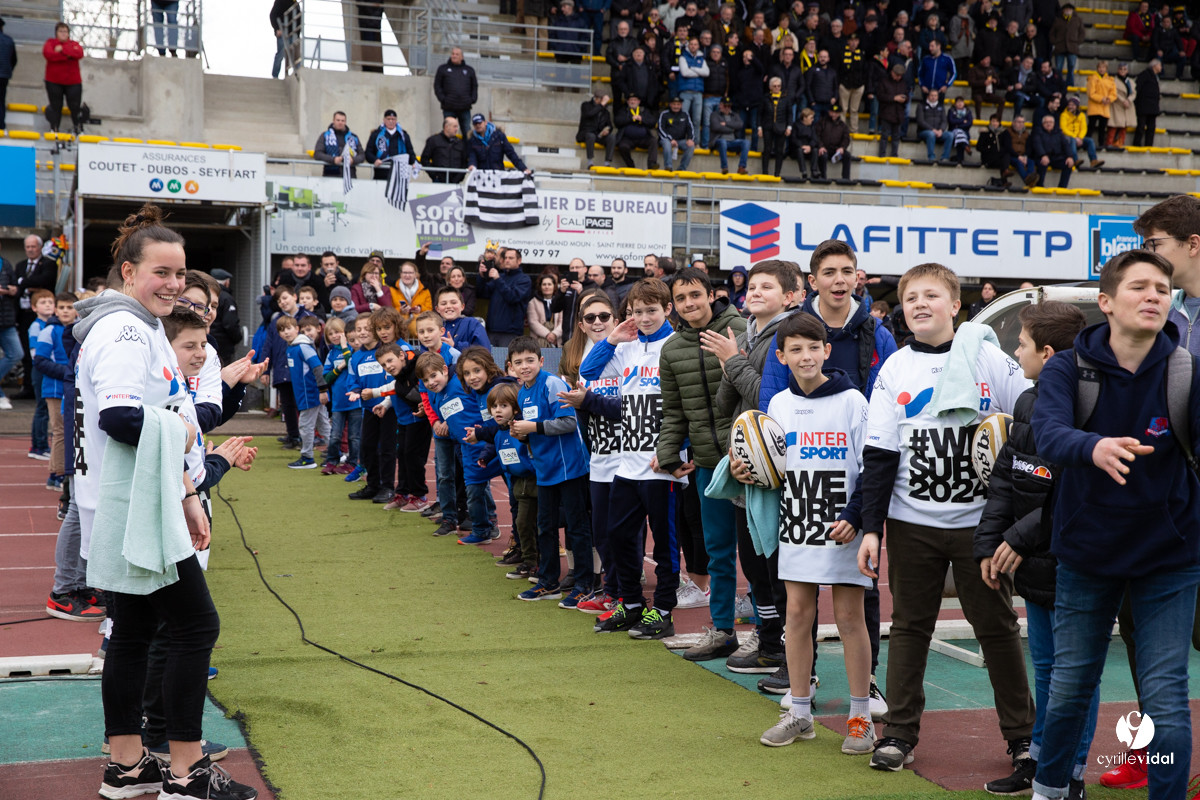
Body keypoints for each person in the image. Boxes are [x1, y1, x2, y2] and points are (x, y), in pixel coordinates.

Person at [75, 204, 258, 800]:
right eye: (162, 272)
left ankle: (128, 767)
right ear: (129, 272)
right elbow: (121, 418)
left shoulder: (139, 324)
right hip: (136, 505)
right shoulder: (126, 330)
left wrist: (186, 491)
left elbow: (148, 415)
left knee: (133, 631)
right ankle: (186, 772)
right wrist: (182, 434)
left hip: (135, 498)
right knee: (195, 625)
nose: (175, 284)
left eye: (180, 273)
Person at [1030, 250, 1200, 800]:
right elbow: (1048, 434)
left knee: (1166, 699)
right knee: (1070, 688)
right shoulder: (1067, 368)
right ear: (1105, 302)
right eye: (1139, 286)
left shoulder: (1186, 370)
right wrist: (1095, 447)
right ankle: (1049, 789)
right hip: (1087, 552)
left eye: (1162, 289)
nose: (1153, 296)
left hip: (1170, 555)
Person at [856, 262, 1035, 774]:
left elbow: (1028, 421)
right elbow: (880, 455)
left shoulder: (989, 358)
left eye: (931, 295)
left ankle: (1023, 738)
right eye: (911, 297)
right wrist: (871, 529)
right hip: (911, 522)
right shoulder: (895, 369)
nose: (920, 304)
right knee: (909, 627)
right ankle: (899, 734)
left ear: (955, 305)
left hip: (981, 523)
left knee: (997, 628)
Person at [972, 300, 1093, 796]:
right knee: (1045, 667)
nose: (1014, 352)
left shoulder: (1090, 404)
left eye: (1020, 344)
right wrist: (990, 542)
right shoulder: (1026, 401)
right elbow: (1007, 476)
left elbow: (1074, 492)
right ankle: (1041, 763)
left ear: (1046, 353)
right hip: (1033, 560)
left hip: (1073, 559)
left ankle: (1071, 773)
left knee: (1074, 675)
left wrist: (1019, 538)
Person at [740, 313, 874, 754]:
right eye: (795, 349)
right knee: (797, 615)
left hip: (843, 527)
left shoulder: (852, 401)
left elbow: (870, 466)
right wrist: (745, 469)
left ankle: (861, 717)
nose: (805, 356)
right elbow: (770, 465)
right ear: (781, 356)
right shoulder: (778, 406)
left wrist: (856, 514)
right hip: (797, 523)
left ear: (826, 351)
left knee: (850, 618)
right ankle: (800, 712)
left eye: (813, 347)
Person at [710, 260, 801, 684]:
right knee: (753, 562)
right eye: (753, 286)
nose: (756, 291)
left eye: (767, 286)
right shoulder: (748, 335)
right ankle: (767, 643)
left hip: (775, 471)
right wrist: (731, 362)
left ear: (790, 296)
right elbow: (725, 402)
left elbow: (769, 400)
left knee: (775, 567)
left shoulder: (787, 335)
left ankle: (785, 651)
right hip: (746, 466)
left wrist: (734, 362)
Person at [581, 278, 682, 638]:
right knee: (618, 535)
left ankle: (664, 610)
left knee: (665, 544)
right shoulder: (627, 347)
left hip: (661, 465)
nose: (644, 318)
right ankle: (632, 603)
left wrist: (674, 449)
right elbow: (588, 372)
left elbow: (688, 404)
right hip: (628, 463)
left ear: (667, 309)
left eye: (651, 310)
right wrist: (612, 338)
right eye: (637, 312)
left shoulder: (677, 345)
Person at [656, 268, 746, 660]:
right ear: (673, 305)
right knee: (718, 551)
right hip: (708, 463)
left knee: (762, 552)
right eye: (681, 298)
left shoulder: (741, 329)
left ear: (711, 295)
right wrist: (667, 454)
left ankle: (769, 632)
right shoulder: (672, 349)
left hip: (751, 461)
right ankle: (723, 630)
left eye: (695, 294)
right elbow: (674, 410)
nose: (689, 303)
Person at [508, 337, 594, 604]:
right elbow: (535, 430)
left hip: (569, 468)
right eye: (519, 362)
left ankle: (585, 584)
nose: (525, 366)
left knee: (576, 527)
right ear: (511, 367)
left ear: (541, 361)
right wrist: (522, 435)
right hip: (544, 470)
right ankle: (548, 582)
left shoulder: (552, 383)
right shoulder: (522, 392)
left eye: (530, 360)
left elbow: (569, 422)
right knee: (545, 526)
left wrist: (533, 428)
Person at [416, 350, 501, 543]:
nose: (431, 382)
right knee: (473, 486)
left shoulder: (462, 384)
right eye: (426, 380)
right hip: (463, 445)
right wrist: (441, 422)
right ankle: (481, 528)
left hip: (485, 441)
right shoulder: (434, 393)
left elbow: (481, 403)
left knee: (485, 484)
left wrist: (485, 431)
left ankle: (492, 521)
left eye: (434, 376)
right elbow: (446, 412)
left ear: (445, 370)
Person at [35, 291, 76, 490]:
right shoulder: (49, 331)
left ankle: (54, 473)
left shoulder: (78, 330)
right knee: (61, 431)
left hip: (71, 388)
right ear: (56, 310)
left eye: (69, 307)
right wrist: (68, 373)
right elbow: (40, 361)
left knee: (67, 431)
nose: (65, 311)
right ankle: (59, 474)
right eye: (61, 307)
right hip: (55, 389)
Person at [277, 315, 329, 470]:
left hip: (310, 393)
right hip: (305, 394)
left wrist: (322, 390)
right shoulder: (291, 348)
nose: (286, 332)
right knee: (323, 425)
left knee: (306, 426)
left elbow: (318, 368)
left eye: (289, 328)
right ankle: (336, 452)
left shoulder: (303, 347)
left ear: (297, 329)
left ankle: (307, 457)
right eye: (282, 330)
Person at [477, 248, 531, 347]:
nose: (507, 260)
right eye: (505, 258)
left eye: (511, 258)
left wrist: (498, 279)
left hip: (510, 333)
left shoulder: (524, 279)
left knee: (506, 357)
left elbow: (512, 297)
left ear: (519, 261)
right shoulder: (500, 276)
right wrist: (481, 276)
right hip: (492, 330)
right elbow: (482, 293)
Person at [27, 290, 55, 460]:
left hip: (47, 368)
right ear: (34, 307)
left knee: (43, 408)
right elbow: (34, 352)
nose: (48, 305)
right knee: (42, 408)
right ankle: (39, 446)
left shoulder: (52, 325)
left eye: (50, 302)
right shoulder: (36, 326)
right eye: (43, 302)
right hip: (41, 370)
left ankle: (38, 445)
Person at [43, 22, 84, 137]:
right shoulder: (50, 43)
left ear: (69, 33)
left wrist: (62, 49)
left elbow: (79, 53)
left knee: (75, 106)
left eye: (65, 31)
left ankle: (78, 128)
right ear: (56, 33)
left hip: (73, 82)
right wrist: (68, 56)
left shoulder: (74, 44)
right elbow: (49, 55)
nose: (63, 33)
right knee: (56, 106)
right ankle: (54, 128)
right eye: (60, 31)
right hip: (54, 81)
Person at [433, 47, 478, 138]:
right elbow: (437, 85)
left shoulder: (469, 70)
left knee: (467, 131)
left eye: (457, 54)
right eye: (453, 54)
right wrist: (443, 99)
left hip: (465, 108)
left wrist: (472, 99)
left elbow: (474, 86)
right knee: (448, 131)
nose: (454, 56)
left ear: (462, 57)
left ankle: (468, 148)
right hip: (449, 107)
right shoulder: (443, 69)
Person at [364, 110, 417, 182]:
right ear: (384, 120)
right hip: (381, 173)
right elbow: (368, 152)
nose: (391, 121)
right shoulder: (376, 134)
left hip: (399, 174)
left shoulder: (403, 135)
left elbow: (410, 152)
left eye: (393, 119)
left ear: (396, 120)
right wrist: (375, 160)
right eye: (388, 119)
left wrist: (413, 162)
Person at [312, 111, 364, 179]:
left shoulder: (353, 137)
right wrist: (333, 160)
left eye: (342, 121)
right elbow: (317, 154)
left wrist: (353, 160)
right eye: (338, 120)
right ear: (333, 121)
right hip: (330, 176)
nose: (340, 122)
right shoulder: (325, 135)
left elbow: (362, 155)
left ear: (345, 122)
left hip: (350, 176)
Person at [1030, 113, 1075, 189]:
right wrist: (1043, 155)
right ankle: (1039, 186)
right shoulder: (1037, 131)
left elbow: (1066, 145)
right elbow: (1037, 144)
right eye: (1046, 122)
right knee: (1042, 163)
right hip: (1041, 157)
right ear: (1043, 124)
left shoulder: (1058, 132)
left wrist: (1070, 156)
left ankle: (1062, 188)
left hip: (1056, 157)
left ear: (1054, 123)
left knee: (1068, 165)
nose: (1048, 124)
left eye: (1050, 122)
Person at [758, 77, 792, 177]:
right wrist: (759, 127)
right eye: (774, 86)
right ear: (770, 87)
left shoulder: (786, 98)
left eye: (779, 86)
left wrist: (789, 127)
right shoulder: (765, 98)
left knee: (779, 151)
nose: (777, 88)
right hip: (768, 126)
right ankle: (765, 172)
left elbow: (789, 114)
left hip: (781, 126)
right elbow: (760, 114)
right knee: (767, 149)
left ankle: (777, 173)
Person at [614, 94, 658, 169]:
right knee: (622, 146)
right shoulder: (623, 110)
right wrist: (630, 119)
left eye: (635, 100)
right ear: (627, 102)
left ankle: (652, 164)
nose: (633, 102)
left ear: (639, 102)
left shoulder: (644, 111)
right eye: (631, 100)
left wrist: (642, 119)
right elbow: (617, 121)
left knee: (653, 141)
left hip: (643, 138)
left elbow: (653, 122)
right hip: (627, 139)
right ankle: (631, 165)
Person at [1060, 97, 1104, 170]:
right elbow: (1064, 129)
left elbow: (1083, 128)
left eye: (1072, 105)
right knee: (1072, 140)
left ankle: (1093, 161)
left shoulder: (1081, 115)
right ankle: (1075, 160)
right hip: (1068, 138)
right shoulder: (1064, 115)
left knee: (1090, 140)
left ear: (1077, 106)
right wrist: (1075, 137)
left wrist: (1080, 138)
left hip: (1078, 138)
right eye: (1069, 105)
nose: (1070, 106)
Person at [421, 117, 468, 184]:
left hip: (455, 182)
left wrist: (459, 177)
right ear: (446, 127)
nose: (456, 129)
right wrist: (434, 175)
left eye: (457, 127)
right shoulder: (433, 140)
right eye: (454, 126)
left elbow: (464, 162)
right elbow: (424, 159)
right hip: (438, 181)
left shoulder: (460, 143)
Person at [876, 62, 909, 157]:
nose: (899, 77)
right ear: (892, 73)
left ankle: (894, 154)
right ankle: (882, 154)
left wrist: (905, 99)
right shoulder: (884, 81)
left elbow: (907, 95)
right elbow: (880, 96)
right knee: (884, 136)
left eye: (900, 75)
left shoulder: (903, 83)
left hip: (898, 113)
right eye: (897, 75)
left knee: (896, 137)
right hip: (886, 113)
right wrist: (894, 98)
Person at [657, 95, 697, 171]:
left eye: (678, 104)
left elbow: (690, 128)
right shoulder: (664, 114)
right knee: (667, 144)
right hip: (666, 139)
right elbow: (660, 129)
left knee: (691, 146)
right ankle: (668, 167)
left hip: (680, 141)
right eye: (674, 104)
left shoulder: (685, 114)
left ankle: (682, 168)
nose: (676, 106)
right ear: (670, 104)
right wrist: (670, 139)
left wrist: (690, 139)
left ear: (681, 105)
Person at [710, 96, 748, 175]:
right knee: (723, 142)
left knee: (746, 142)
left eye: (729, 106)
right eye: (725, 106)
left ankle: (741, 167)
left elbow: (740, 124)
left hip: (732, 141)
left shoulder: (734, 115)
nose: (727, 108)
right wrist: (732, 129)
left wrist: (726, 124)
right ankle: (724, 167)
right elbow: (716, 127)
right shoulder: (714, 115)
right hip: (719, 141)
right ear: (720, 105)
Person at [577, 91, 615, 168]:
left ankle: (607, 162)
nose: (604, 103)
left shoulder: (605, 112)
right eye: (602, 100)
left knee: (612, 137)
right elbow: (589, 114)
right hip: (586, 133)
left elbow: (610, 125)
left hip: (599, 135)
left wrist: (607, 130)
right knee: (591, 136)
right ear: (596, 99)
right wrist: (601, 105)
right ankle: (590, 162)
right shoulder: (586, 105)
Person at [1050, 4, 1084, 91]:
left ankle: (1070, 83)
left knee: (1071, 66)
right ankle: (1059, 84)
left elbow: (1082, 33)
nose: (1068, 11)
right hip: (1060, 47)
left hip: (1072, 47)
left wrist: (1077, 42)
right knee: (1058, 68)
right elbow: (1052, 33)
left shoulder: (1078, 20)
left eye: (1069, 9)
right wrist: (1055, 42)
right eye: (1066, 9)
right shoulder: (1058, 20)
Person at [814, 103, 852, 180]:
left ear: (839, 113)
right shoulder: (822, 122)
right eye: (832, 112)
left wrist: (842, 147)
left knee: (847, 155)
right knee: (823, 156)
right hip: (824, 148)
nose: (834, 114)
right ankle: (823, 177)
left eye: (836, 113)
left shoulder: (843, 125)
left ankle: (846, 178)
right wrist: (820, 146)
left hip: (836, 150)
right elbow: (816, 135)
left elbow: (846, 138)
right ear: (829, 112)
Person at [1000, 114, 1037, 187]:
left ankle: (1030, 177)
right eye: (1019, 122)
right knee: (1018, 162)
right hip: (1012, 156)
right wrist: (1018, 156)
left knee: (1031, 162)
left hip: (1023, 156)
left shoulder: (1027, 134)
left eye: (1023, 122)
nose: (1021, 124)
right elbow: (1008, 147)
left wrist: (1025, 156)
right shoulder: (1007, 132)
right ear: (1014, 123)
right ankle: (1027, 180)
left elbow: (1029, 147)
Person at [916, 89, 953, 161]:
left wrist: (941, 130)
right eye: (932, 95)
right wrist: (932, 130)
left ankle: (945, 157)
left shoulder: (941, 106)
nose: (933, 97)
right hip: (924, 131)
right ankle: (931, 157)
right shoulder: (921, 105)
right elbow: (920, 121)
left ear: (938, 97)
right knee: (931, 134)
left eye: (935, 96)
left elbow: (944, 121)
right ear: (928, 96)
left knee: (950, 135)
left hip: (938, 132)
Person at [527, 274, 563, 347]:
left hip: (557, 341)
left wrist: (554, 334)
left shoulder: (560, 301)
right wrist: (547, 334)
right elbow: (533, 322)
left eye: (549, 284)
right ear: (540, 287)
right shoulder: (533, 302)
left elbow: (563, 322)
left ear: (554, 286)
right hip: (538, 341)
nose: (547, 287)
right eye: (544, 284)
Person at [1133, 59, 1161, 147]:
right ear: (1154, 66)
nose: (1161, 67)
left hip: (1152, 107)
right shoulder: (1144, 75)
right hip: (1143, 106)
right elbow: (1137, 88)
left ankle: (1149, 145)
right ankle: (1137, 144)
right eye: (1159, 65)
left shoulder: (1155, 77)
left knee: (1151, 128)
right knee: (1141, 126)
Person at [1108, 62, 1136, 149]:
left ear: (1127, 71)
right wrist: (1123, 100)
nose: (1122, 71)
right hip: (1117, 105)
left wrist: (1129, 100)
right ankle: (1109, 144)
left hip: (1127, 105)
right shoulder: (1113, 81)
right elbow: (1114, 92)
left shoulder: (1130, 81)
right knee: (1114, 126)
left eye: (1124, 69)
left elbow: (1134, 93)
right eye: (1121, 69)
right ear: (1118, 70)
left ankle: (1120, 144)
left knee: (1124, 127)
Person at [269, 0, 299, 78]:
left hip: (293, 33)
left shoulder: (295, 3)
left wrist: (298, 33)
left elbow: (299, 18)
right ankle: (275, 75)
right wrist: (277, 28)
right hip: (282, 31)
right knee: (281, 54)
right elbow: (273, 15)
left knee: (295, 54)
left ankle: (297, 73)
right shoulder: (280, 1)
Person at [0, 17, 15, 131]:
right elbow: (14, 59)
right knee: (1, 100)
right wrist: (8, 70)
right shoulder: (8, 40)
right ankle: (1, 125)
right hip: (4, 75)